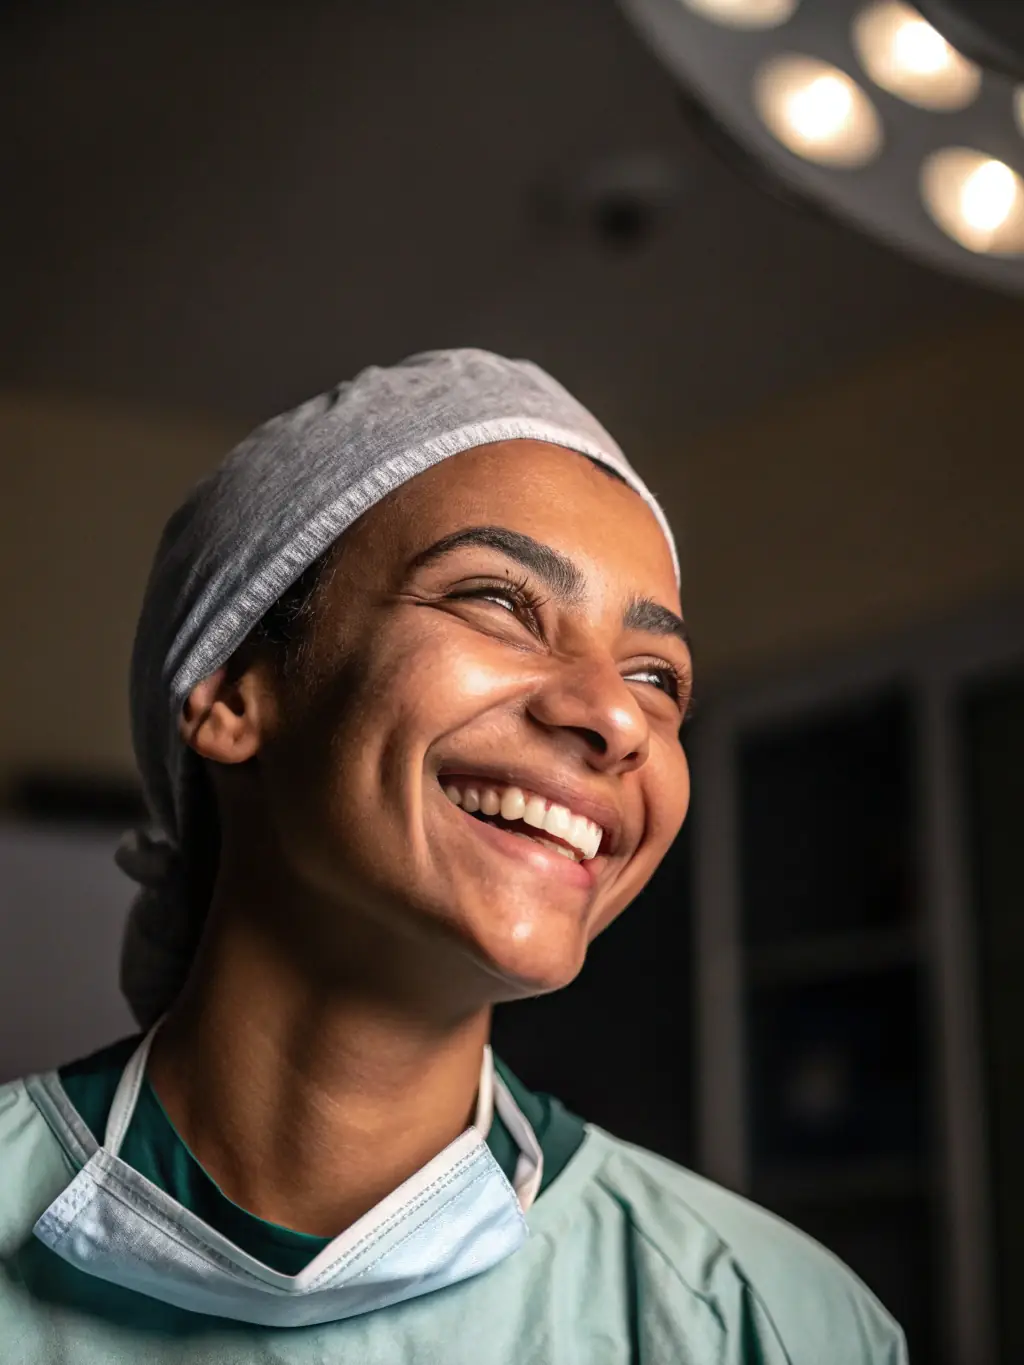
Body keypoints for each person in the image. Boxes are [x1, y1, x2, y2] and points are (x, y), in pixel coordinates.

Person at [0, 350, 907, 1363]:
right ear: (233, 694)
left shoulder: (766, 1321)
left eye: (656, 675)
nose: (616, 716)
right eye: (498, 601)